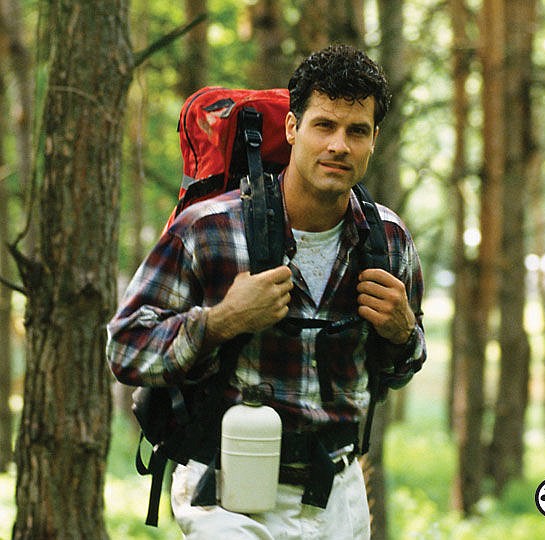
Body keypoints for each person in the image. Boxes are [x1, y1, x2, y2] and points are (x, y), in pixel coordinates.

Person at [107, 44, 426, 540]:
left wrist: (405, 334)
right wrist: (222, 321)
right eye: (324, 125)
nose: (339, 145)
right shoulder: (210, 230)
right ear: (293, 128)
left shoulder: (388, 240)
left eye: (356, 131)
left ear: (373, 140)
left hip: (338, 495)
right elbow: (125, 347)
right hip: (228, 493)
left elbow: (399, 370)